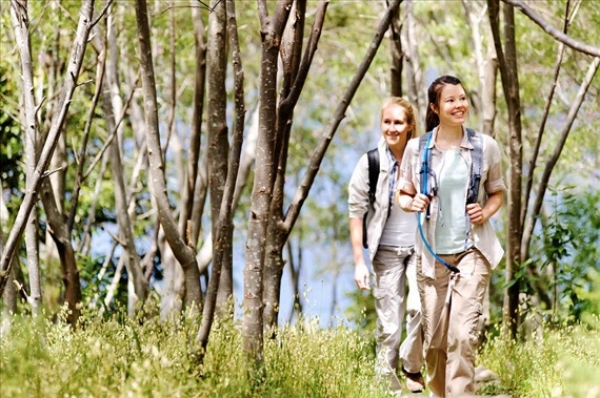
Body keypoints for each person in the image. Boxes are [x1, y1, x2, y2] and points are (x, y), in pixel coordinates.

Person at [397, 75, 505, 397]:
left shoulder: (485, 147)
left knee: (461, 334)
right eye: (450, 100)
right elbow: (403, 194)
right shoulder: (417, 149)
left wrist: (484, 212)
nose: (459, 105)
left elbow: (497, 193)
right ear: (435, 107)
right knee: (435, 340)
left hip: (473, 251)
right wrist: (411, 202)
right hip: (431, 257)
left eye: (462, 98)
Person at [348, 97, 425, 395]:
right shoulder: (370, 162)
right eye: (387, 122)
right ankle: (386, 387)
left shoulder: (423, 159)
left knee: (420, 310)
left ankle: (411, 367)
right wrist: (358, 261)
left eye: (398, 123)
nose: (392, 128)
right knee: (389, 325)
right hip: (386, 253)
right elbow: (356, 212)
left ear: (409, 127)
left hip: (420, 247)